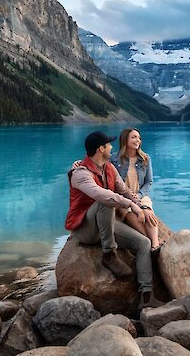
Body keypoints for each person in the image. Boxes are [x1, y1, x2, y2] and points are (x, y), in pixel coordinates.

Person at [65, 130, 163, 309]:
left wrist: (141, 205)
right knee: (106, 200)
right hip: (85, 229)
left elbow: (124, 190)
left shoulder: (109, 168)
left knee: (144, 243)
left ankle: (147, 297)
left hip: (106, 225)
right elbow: (101, 195)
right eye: (108, 144)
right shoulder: (80, 173)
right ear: (101, 149)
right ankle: (109, 254)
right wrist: (129, 205)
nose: (112, 146)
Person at [111, 128, 164, 253]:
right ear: (125, 140)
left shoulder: (145, 158)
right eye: (134, 137)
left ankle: (154, 246)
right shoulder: (114, 159)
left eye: (139, 138)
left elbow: (148, 182)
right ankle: (149, 241)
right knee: (129, 213)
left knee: (148, 213)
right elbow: (97, 163)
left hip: (141, 195)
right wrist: (78, 163)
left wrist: (139, 196)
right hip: (123, 197)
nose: (138, 140)